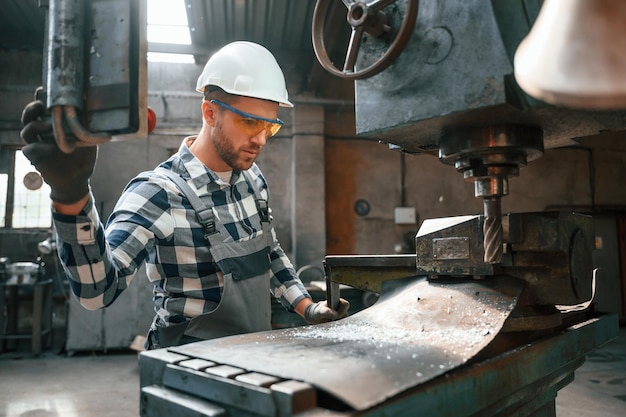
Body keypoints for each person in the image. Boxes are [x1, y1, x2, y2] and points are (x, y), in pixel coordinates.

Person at [20, 41, 349, 349]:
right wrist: (70, 195)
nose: (261, 140)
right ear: (210, 113)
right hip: (185, 373)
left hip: (252, 358)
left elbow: (270, 252)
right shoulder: (158, 192)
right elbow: (95, 294)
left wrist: (308, 308)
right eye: (250, 122)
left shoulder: (253, 179)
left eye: (270, 127)